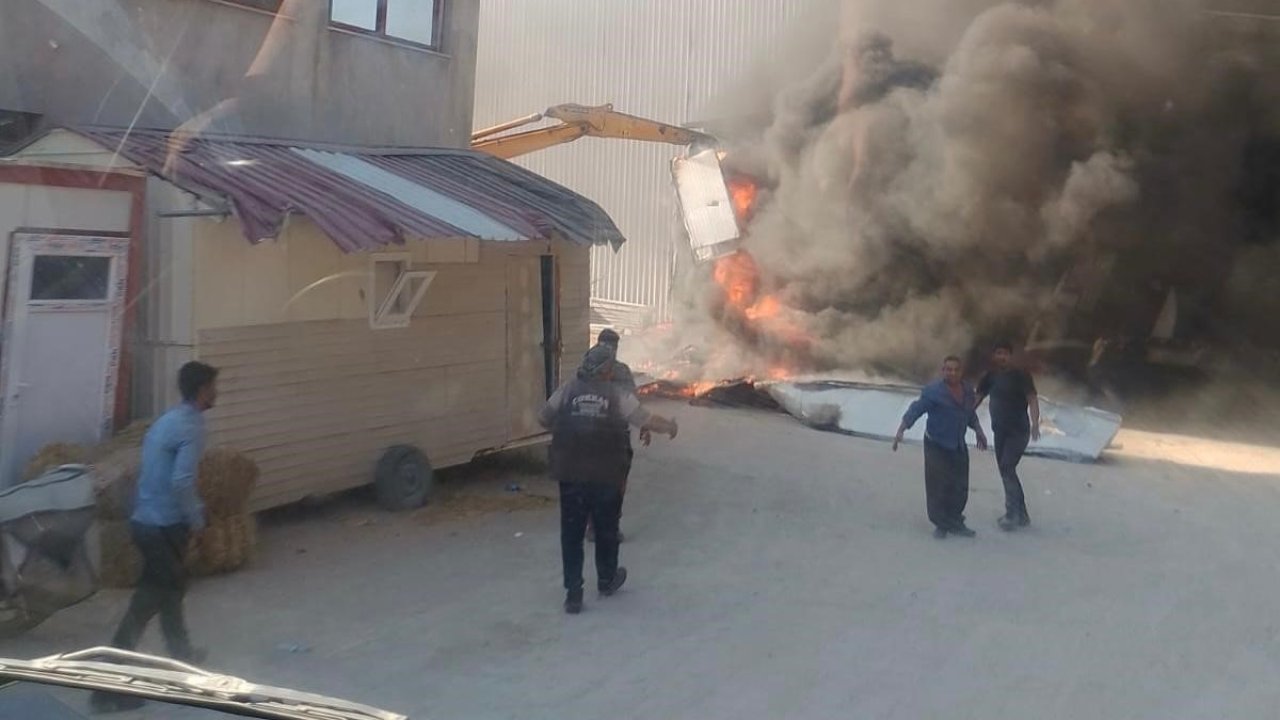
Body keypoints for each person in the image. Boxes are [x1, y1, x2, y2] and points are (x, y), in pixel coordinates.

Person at [539, 344, 678, 615]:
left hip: (570, 473)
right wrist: (670, 426)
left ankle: (573, 594)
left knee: (571, 534)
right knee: (606, 529)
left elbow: (543, 418)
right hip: (606, 474)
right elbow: (645, 420)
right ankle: (606, 579)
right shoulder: (616, 395)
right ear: (605, 371)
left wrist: (570, 427)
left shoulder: (567, 389)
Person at [893, 355, 988, 539]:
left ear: (961, 372)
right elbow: (916, 410)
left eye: (956, 369)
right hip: (936, 444)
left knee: (960, 486)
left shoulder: (968, 391)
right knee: (938, 486)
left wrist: (978, 431)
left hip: (958, 444)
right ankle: (941, 524)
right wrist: (901, 430)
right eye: (948, 369)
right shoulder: (933, 391)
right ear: (943, 371)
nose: (952, 372)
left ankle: (954, 520)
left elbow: (969, 413)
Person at [585, 328, 648, 544]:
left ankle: (594, 526)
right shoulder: (620, 370)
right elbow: (633, 403)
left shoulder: (586, 366)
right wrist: (645, 425)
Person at [976, 341, 1041, 531]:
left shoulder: (1021, 375)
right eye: (998, 353)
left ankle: (1012, 513)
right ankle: (1022, 515)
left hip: (1018, 431)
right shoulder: (990, 376)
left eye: (1005, 353)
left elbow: (1032, 399)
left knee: (1006, 466)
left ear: (1011, 356)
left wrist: (1035, 422)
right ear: (994, 356)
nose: (1002, 357)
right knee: (1006, 471)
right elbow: (977, 397)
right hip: (1000, 430)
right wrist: (963, 415)